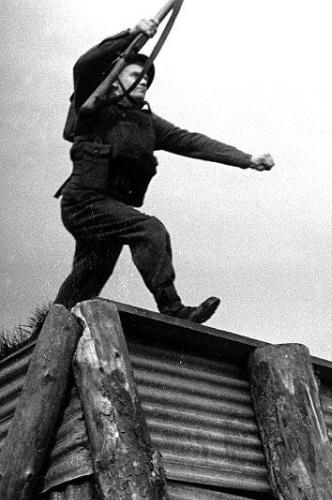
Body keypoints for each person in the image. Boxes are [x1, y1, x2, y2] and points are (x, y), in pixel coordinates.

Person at [53, 17, 274, 324]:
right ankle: (172, 307)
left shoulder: (148, 123)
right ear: (117, 79)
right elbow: (85, 65)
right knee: (149, 230)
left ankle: (53, 327)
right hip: (84, 203)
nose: (144, 80)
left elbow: (193, 142)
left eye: (147, 78)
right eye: (137, 74)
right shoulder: (93, 108)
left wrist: (247, 158)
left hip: (109, 209)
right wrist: (131, 35)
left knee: (89, 275)